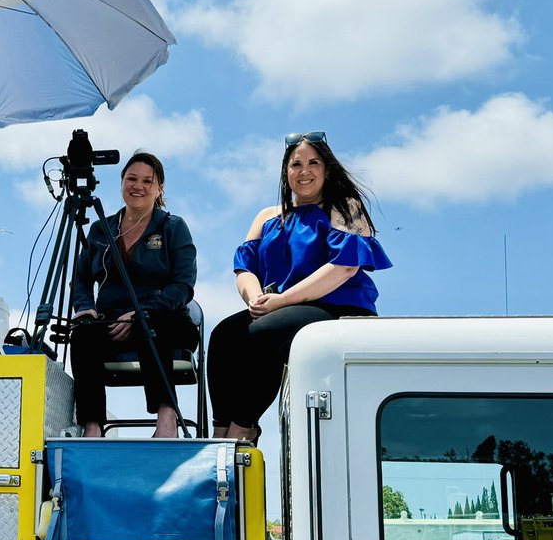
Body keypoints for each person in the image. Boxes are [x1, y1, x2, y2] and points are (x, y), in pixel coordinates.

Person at [207, 131, 390, 442]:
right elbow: (244, 268)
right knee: (224, 335)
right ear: (285, 171)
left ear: (327, 169)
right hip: (280, 306)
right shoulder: (267, 216)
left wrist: (281, 302)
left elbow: (345, 267)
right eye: (296, 164)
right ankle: (220, 433)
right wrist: (257, 300)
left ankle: (244, 427)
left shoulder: (346, 206)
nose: (304, 171)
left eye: (313, 163)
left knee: (263, 333)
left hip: (336, 305)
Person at [69, 152, 198, 438]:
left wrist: (142, 312)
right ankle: (92, 427)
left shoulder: (173, 227)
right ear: (122, 182)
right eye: (131, 179)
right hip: (111, 323)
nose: (138, 186)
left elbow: (184, 284)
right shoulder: (101, 228)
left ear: (159, 188)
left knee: (150, 325)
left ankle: (167, 419)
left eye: (147, 181)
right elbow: (80, 277)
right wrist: (85, 306)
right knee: (82, 335)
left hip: (166, 320)